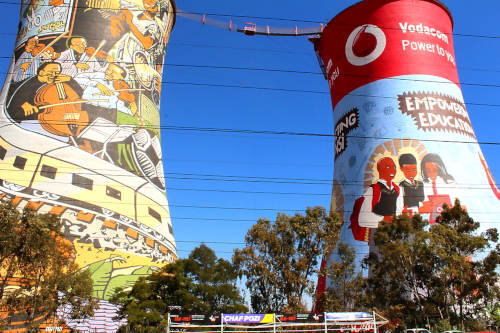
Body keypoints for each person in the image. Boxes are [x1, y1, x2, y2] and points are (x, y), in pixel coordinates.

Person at [349, 157, 404, 243]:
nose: (392, 170)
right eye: (388, 167)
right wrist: (383, 219)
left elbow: (399, 211)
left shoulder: (397, 190)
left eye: (394, 167)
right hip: (377, 235)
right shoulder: (374, 189)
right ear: (379, 169)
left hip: (393, 234)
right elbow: (362, 219)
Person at [418, 153, 458, 222]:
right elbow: (423, 205)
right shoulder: (424, 185)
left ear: (439, 168)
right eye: (428, 171)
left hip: (448, 217)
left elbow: (457, 203)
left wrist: (441, 202)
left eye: (434, 170)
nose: (431, 173)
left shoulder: (449, 182)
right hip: (434, 219)